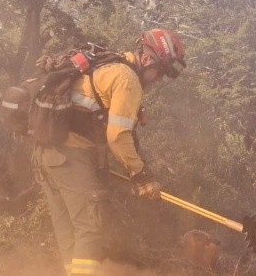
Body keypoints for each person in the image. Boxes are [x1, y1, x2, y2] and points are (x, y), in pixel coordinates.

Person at [31, 28, 186, 276]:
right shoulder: (127, 78)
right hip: (72, 157)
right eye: (160, 71)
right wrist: (141, 175)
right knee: (91, 229)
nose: (158, 79)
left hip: (48, 156)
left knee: (69, 231)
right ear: (147, 59)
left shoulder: (110, 63)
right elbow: (118, 136)